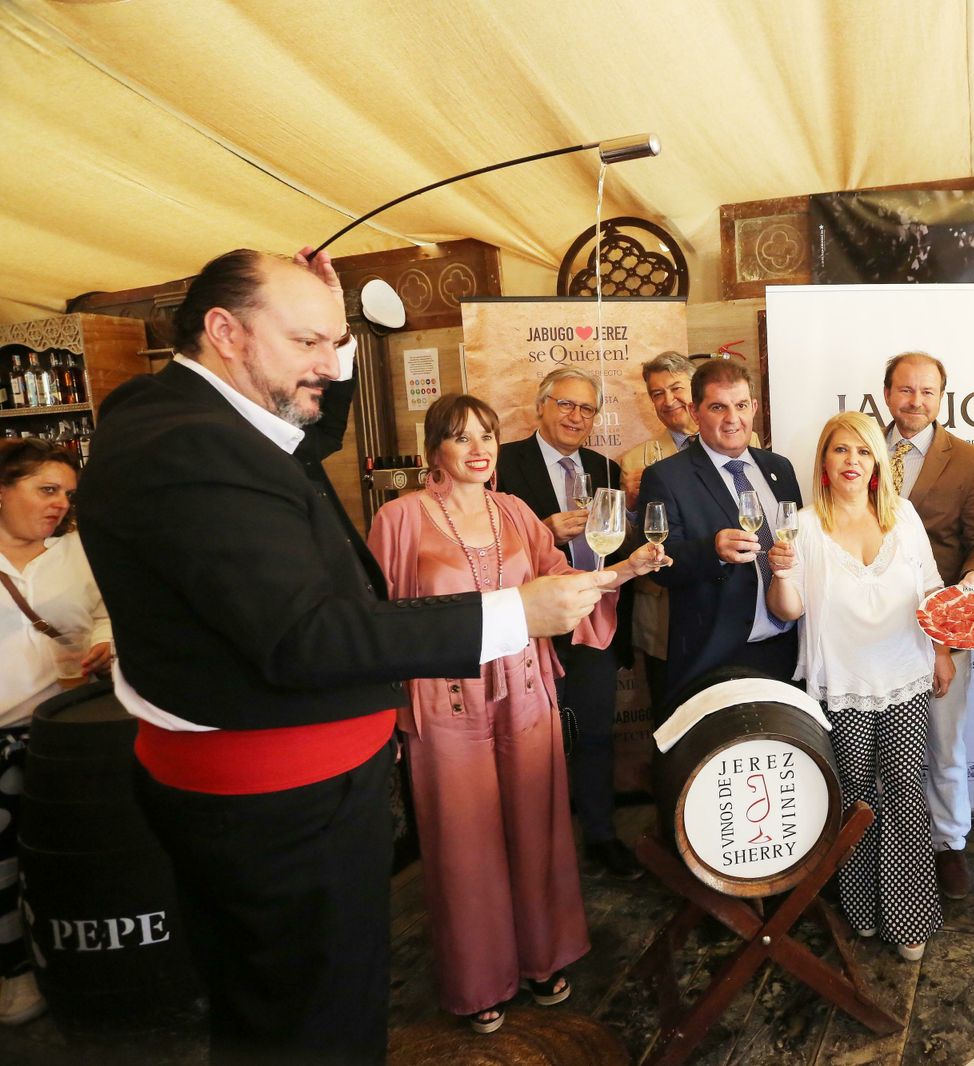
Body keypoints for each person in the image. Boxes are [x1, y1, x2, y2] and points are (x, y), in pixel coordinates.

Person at [74, 247, 616, 1065]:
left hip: (303, 786)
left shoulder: (188, 417)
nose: (326, 368)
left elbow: (304, 423)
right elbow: (308, 637)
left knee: (314, 1004)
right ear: (224, 331)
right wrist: (512, 613)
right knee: (311, 1025)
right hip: (279, 805)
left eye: (335, 346)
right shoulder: (191, 447)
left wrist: (338, 329)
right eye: (307, 344)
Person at [369, 393, 667, 1034]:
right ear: (435, 450)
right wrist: (387, 715)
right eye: (460, 437)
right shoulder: (399, 519)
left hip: (528, 688)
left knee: (536, 822)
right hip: (445, 698)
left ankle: (542, 956)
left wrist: (625, 569)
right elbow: (378, 625)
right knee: (463, 838)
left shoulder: (517, 513)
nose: (478, 449)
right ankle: (480, 981)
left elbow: (564, 584)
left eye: (487, 436)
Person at [766, 411, 948, 961]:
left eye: (863, 452)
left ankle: (907, 916)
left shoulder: (904, 516)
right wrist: (779, 573)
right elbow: (788, 610)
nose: (852, 462)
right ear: (823, 459)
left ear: (877, 463)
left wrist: (942, 651)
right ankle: (863, 909)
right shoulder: (802, 525)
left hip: (907, 676)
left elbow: (933, 587)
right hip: (840, 683)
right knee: (854, 801)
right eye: (841, 450)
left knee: (904, 799)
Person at [497, 367, 641, 880]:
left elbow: (617, 546)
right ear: (541, 407)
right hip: (524, 628)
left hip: (591, 624)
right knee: (526, 739)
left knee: (595, 734)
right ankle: (534, 848)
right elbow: (485, 543)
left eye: (586, 409)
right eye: (565, 404)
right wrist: (544, 531)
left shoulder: (604, 469)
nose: (576, 416)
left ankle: (601, 836)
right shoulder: (503, 462)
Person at [880, 352, 974, 900]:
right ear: (886, 394)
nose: (916, 402)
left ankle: (949, 846)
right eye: (906, 390)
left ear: (941, 398)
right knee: (876, 742)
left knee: (943, 745)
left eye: (927, 392)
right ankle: (881, 843)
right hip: (870, 626)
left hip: (939, 625)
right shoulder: (859, 448)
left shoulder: (970, 461)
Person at [0, 439, 112, 1026]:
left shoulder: (76, 552)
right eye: (46, 490)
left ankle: (71, 962)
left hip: (65, 730)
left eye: (67, 494)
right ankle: (13, 971)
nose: (60, 504)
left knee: (67, 859)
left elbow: (107, 609)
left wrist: (106, 640)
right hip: (0, 733)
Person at [639, 359, 803, 698]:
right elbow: (659, 564)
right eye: (718, 407)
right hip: (716, 659)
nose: (733, 419)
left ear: (754, 407)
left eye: (741, 405)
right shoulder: (667, 477)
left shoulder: (780, 468)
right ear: (695, 413)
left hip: (790, 651)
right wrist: (710, 550)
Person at [619, 351, 698, 723]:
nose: (668, 401)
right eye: (656, 393)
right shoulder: (635, 460)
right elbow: (626, 543)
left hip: (728, 610)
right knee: (670, 722)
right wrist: (633, 509)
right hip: (665, 620)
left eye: (676, 388)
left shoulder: (746, 442)